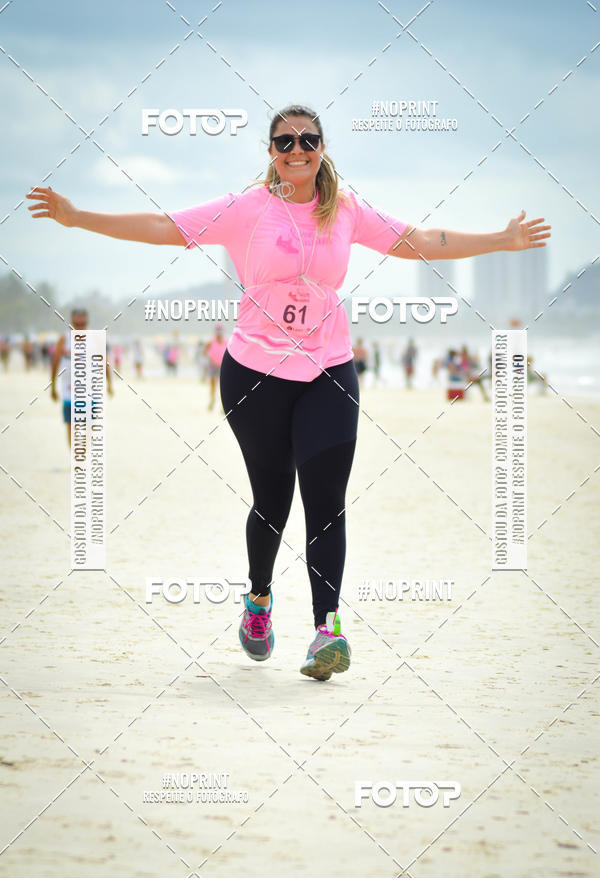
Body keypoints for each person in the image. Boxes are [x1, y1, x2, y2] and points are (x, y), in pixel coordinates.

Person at [27, 103, 551, 680]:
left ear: (323, 147)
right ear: (270, 151)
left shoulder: (345, 210)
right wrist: (79, 217)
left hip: (329, 370)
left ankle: (328, 630)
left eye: (309, 139)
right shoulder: (246, 209)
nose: (297, 149)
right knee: (272, 500)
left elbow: (420, 239)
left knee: (325, 500)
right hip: (254, 374)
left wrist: (500, 240)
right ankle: (258, 602)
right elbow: (163, 227)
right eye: (285, 141)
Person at [50, 308, 113, 447]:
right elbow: (55, 363)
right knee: (71, 425)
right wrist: (53, 387)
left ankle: (85, 456)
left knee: (88, 426)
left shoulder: (95, 339)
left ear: (87, 323)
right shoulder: (64, 339)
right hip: (69, 392)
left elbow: (104, 362)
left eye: (82, 324)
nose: (79, 328)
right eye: (76, 324)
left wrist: (110, 384)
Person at [204, 323, 227, 410]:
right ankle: (212, 401)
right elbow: (204, 352)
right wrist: (211, 358)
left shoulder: (226, 342)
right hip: (213, 366)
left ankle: (222, 406)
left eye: (220, 331)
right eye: (217, 331)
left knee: (222, 387)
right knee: (213, 386)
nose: (219, 333)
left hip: (222, 367)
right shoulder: (211, 342)